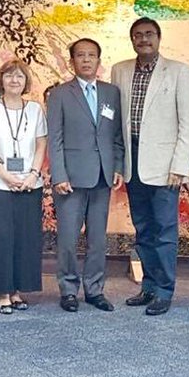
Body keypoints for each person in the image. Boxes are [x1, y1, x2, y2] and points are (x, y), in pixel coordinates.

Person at [110, 17, 189, 316]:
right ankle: (147, 286)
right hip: (132, 162)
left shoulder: (179, 71)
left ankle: (164, 290)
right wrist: (119, 161)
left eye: (149, 34)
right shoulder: (120, 70)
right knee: (143, 229)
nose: (143, 39)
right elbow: (117, 124)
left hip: (165, 166)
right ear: (131, 40)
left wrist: (180, 166)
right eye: (138, 35)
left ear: (159, 38)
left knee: (164, 230)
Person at [46, 38, 124, 313]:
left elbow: (117, 135)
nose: (87, 60)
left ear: (99, 61)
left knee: (98, 240)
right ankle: (68, 290)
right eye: (81, 55)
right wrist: (58, 175)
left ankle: (94, 289)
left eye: (92, 55)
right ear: (72, 62)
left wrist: (118, 167)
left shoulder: (111, 93)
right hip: (70, 178)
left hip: (103, 176)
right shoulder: (59, 94)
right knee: (68, 239)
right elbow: (54, 138)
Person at [0, 59, 47, 314]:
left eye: (19, 76)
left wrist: (33, 174)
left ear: (26, 81)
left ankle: (18, 291)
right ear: (1, 80)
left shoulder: (35, 110)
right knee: (0, 238)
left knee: (25, 238)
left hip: (30, 184)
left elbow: (41, 145)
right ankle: (3, 293)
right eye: (9, 76)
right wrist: (5, 175)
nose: (14, 80)